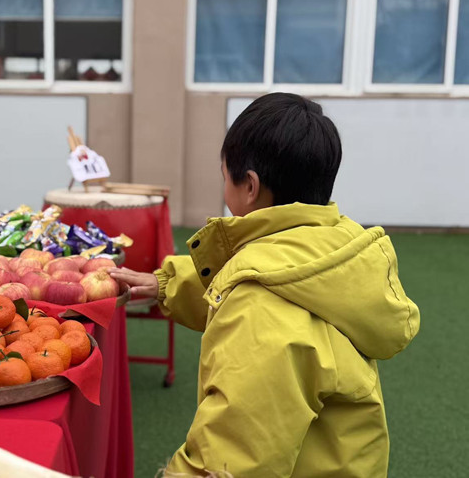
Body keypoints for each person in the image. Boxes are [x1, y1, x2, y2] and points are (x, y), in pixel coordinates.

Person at [110, 93, 420, 478]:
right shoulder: (335, 250)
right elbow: (259, 274)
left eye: (224, 175)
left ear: (250, 186)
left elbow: (233, 460)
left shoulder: (257, 310)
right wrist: (168, 283)